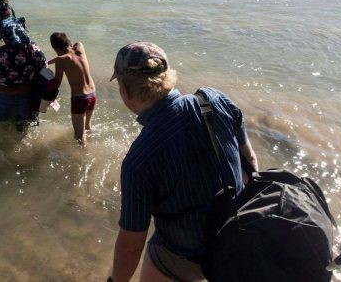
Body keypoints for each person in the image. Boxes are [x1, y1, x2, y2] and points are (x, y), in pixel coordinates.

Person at [108, 42, 259, 282]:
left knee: (158, 248)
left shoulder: (139, 159)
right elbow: (249, 161)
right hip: (237, 232)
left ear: (125, 91)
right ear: (168, 76)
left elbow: (131, 243)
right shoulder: (214, 99)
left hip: (187, 255)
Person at [47, 32, 96, 147]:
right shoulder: (80, 47)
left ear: (55, 48)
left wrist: (45, 83)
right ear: (68, 42)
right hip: (92, 95)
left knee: (79, 137)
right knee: (87, 128)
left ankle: (83, 158)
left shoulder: (60, 60)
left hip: (80, 99)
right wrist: (49, 62)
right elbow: (70, 53)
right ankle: (90, 143)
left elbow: (56, 83)